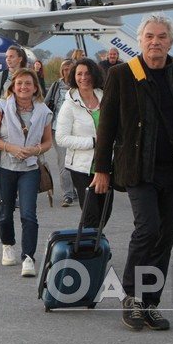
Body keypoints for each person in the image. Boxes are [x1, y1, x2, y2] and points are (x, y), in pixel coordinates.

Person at [91, 13, 173, 332]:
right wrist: (102, 169)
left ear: (171, 42)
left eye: (161, 37)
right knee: (147, 229)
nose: (155, 42)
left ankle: (150, 304)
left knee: (164, 238)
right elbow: (107, 126)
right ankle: (132, 297)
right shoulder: (122, 74)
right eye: (149, 36)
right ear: (140, 40)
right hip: (138, 169)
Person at [0, 69, 53, 277]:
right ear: (12, 86)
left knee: (29, 214)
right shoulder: (1, 108)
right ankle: (7, 244)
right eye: (20, 83)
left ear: (35, 87)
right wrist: (11, 148)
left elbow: (48, 142)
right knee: (5, 211)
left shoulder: (43, 111)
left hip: (30, 168)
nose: (24, 87)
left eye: (28, 84)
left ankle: (28, 257)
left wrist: (36, 150)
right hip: (4, 167)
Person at [56, 58, 113, 228]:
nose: (83, 77)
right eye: (79, 74)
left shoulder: (106, 98)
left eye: (87, 73)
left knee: (105, 213)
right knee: (91, 214)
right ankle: (86, 251)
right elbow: (61, 138)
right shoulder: (69, 105)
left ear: (94, 75)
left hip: (107, 165)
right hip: (82, 168)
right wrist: (93, 142)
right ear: (74, 77)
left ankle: (95, 246)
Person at [45, 59, 75, 206]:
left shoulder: (80, 85)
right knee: (63, 162)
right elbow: (46, 105)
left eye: (69, 69)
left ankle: (76, 188)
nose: (67, 72)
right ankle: (67, 194)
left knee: (77, 161)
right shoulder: (56, 85)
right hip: (58, 129)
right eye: (64, 69)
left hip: (77, 131)